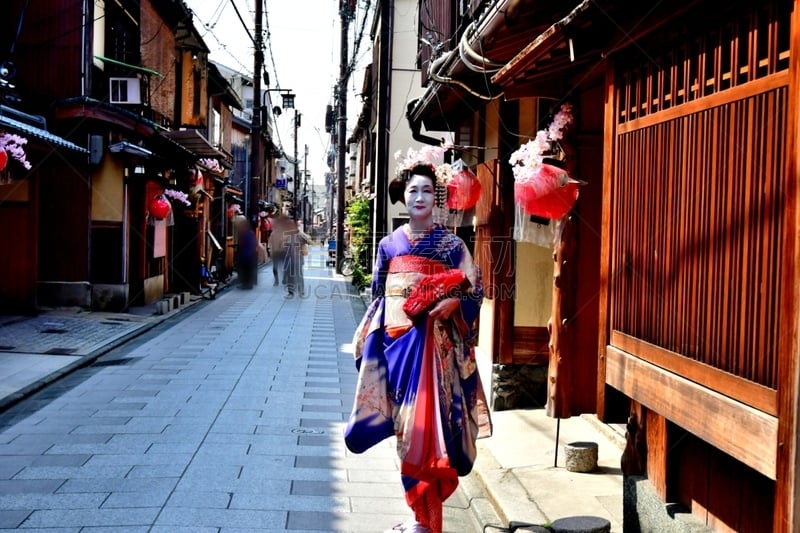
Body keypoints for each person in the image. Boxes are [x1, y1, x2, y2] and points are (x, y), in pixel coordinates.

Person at [344, 161, 491, 533]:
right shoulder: (389, 244)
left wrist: (455, 303)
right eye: (413, 191)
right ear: (403, 197)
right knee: (405, 429)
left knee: (429, 429)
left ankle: (425, 521)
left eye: (427, 190)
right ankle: (417, 516)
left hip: (436, 351)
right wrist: (372, 341)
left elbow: (475, 289)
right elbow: (379, 297)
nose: (420, 197)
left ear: (436, 197)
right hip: (397, 346)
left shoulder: (451, 244)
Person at [282, 217, 312, 297]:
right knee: (290, 276)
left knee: (299, 275)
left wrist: (301, 232)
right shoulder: (286, 235)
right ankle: (291, 291)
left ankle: (301, 291)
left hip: (298, 258)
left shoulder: (299, 234)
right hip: (289, 259)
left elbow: (308, 240)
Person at [268, 210, 295, 286]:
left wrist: (270, 250)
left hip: (278, 251)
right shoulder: (282, 233)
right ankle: (283, 279)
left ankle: (278, 280)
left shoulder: (275, 233)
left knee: (277, 267)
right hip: (282, 251)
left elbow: (270, 243)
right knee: (283, 266)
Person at [235, 215, 258, 289]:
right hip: (248, 255)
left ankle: (247, 284)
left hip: (247, 255)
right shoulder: (248, 233)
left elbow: (251, 244)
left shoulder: (248, 234)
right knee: (246, 271)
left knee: (246, 270)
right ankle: (246, 284)